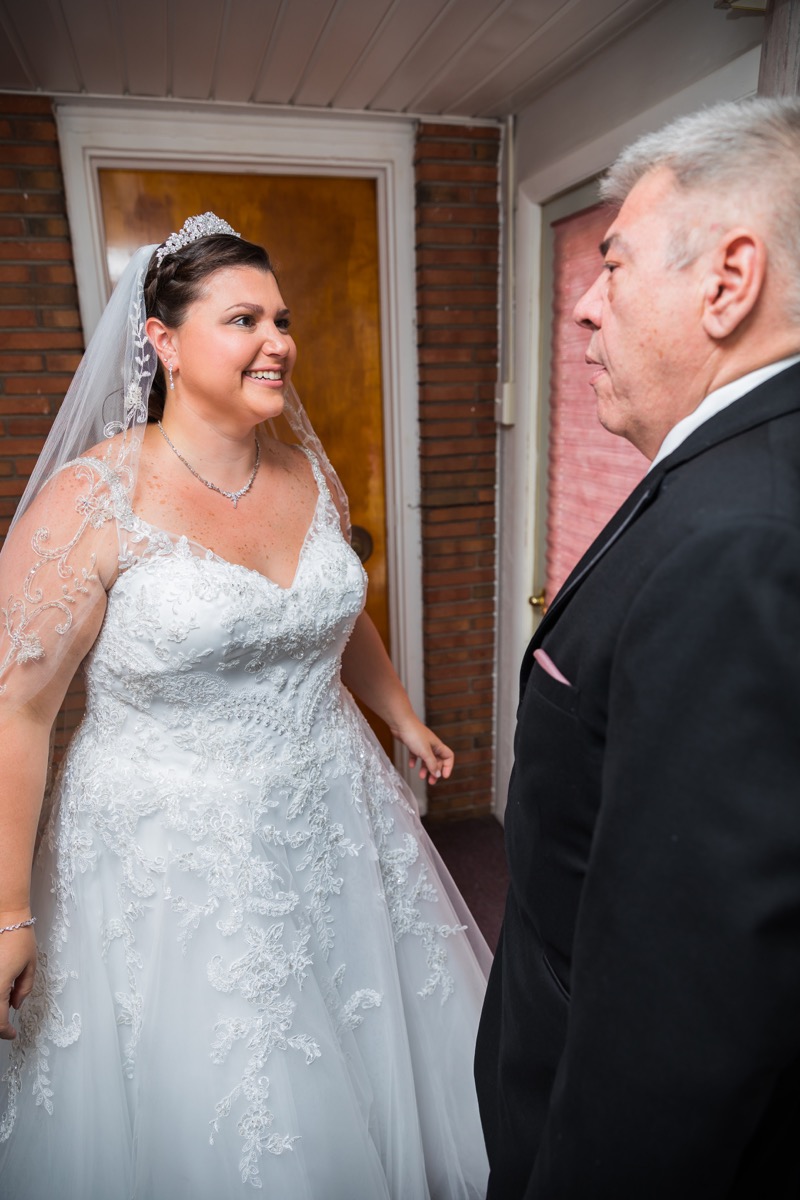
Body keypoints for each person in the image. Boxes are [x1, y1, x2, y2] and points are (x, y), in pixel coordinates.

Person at [0, 214, 490, 1199]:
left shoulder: (306, 471)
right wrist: (7, 911)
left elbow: (331, 610)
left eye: (281, 319)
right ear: (165, 342)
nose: (278, 342)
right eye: (243, 320)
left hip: (335, 813)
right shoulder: (92, 499)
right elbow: (18, 709)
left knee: (369, 1039)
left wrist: (399, 713)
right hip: (174, 853)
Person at [474, 96, 800, 1197]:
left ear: (728, 280)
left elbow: (686, 994)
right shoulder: (726, 460)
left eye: (611, 264)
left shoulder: (743, 539)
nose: (583, 304)